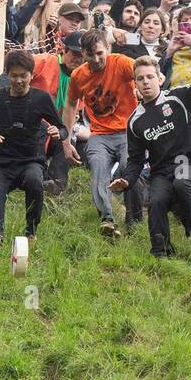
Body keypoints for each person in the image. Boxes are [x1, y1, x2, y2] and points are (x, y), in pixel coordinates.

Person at [108, 55, 191, 258]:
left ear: (160, 79)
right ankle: (161, 251)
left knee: (182, 183)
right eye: (140, 78)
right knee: (156, 201)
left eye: (150, 76)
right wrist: (126, 181)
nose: (145, 82)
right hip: (161, 171)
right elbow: (135, 160)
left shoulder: (178, 97)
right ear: (135, 84)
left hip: (188, 160)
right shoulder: (135, 121)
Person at [0, 50, 79, 244]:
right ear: (7, 75)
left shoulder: (41, 98)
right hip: (1, 161)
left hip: (31, 160)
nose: (18, 80)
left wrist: (59, 133)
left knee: (34, 182)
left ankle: (31, 231)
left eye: (23, 76)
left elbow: (61, 127)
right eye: (14, 75)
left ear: (31, 75)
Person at [61, 28, 138, 236]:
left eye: (99, 53)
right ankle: (107, 219)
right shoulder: (79, 75)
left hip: (128, 132)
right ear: (83, 54)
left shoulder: (121, 63)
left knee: (128, 166)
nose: (95, 59)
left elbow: (146, 71)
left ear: (108, 49)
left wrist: (147, 82)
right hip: (100, 134)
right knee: (97, 167)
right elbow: (70, 104)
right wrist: (66, 141)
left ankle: (134, 220)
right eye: (90, 55)